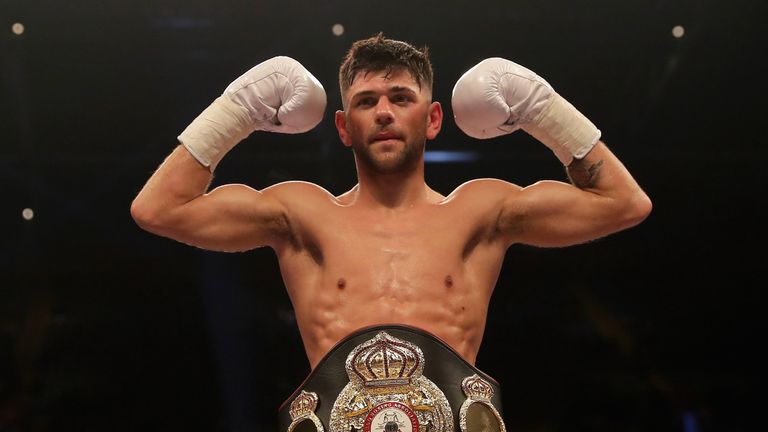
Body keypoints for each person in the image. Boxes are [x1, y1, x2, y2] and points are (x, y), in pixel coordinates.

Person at [130, 33, 651, 432]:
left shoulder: (482, 211)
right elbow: (158, 209)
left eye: (401, 97)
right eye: (366, 101)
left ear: (433, 119)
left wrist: (544, 110)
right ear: (342, 126)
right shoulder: (300, 214)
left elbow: (624, 204)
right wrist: (237, 110)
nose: (383, 111)